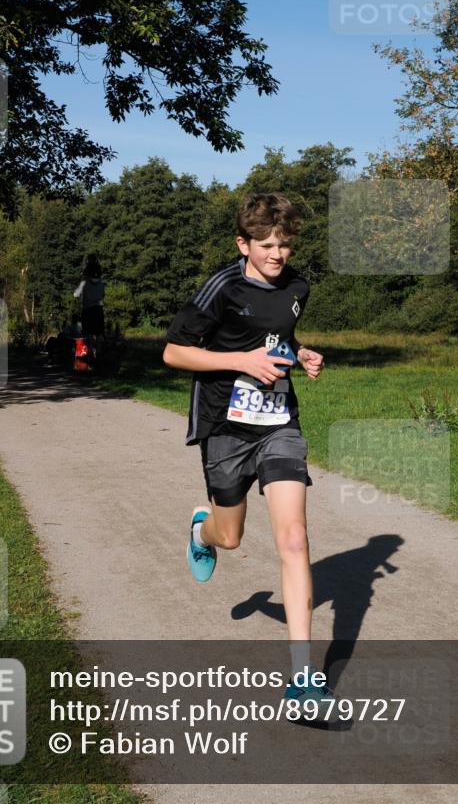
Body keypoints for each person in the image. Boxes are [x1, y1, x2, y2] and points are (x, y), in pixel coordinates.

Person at [163, 192, 329, 714]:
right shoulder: (222, 287)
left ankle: (302, 680)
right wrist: (241, 361)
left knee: (294, 539)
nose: (277, 255)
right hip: (225, 425)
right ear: (244, 244)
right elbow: (173, 352)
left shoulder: (298, 286)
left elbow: (278, 336)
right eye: (266, 245)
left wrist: (300, 353)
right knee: (230, 537)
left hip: (279, 422)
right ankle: (202, 531)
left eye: (284, 245)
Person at [73, 254, 105, 359]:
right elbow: (103, 295)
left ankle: (91, 353)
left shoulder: (84, 282)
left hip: (88, 309)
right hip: (99, 309)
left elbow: (76, 294)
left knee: (89, 333)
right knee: (99, 332)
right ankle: (99, 352)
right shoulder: (101, 283)